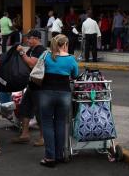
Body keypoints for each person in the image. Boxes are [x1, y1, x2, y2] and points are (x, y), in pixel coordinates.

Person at [39, 34, 78, 168]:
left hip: (46, 93)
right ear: (65, 44)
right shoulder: (71, 59)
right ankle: (60, 155)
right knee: (60, 123)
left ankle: (50, 157)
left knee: (47, 124)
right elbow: (75, 75)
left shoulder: (46, 56)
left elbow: (38, 71)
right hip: (64, 95)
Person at [12, 29, 46, 146]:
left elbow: (32, 63)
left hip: (39, 86)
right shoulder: (32, 49)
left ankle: (43, 137)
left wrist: (22, 52)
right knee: (25, 108)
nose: (27, 40)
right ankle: (25, 134)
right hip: (31, 85)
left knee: (40, 112)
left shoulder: (40, 50)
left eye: (29, 38)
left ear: (36, 39)